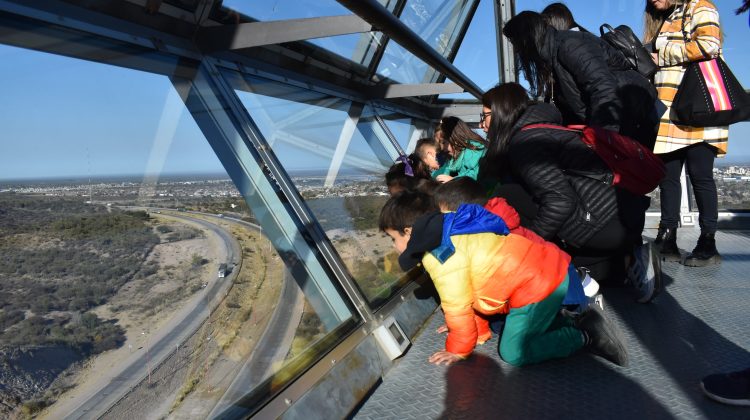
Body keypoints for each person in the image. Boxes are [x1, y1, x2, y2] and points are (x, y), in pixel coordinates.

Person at [379, 190, 628, 367]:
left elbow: (458, 307)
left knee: (514, 352)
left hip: (537, 286)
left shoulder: (440, 256)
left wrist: (458, 349)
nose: (393, 245)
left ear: (409, 232)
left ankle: (584, 336)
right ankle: (578, 322)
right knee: (521, 331)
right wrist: (479, 333)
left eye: (393, 238)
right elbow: (473, 290)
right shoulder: (454, 229)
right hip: (549, 269)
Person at [479, 82, 661, 303]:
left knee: (508, 194)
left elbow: (560, 202)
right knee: (589, 270)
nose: (482, 125)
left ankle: (584, 268)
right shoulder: (545, 128)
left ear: (500, 112)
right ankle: (628, 260)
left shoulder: (525, 143)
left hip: (604, 224)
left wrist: (528, 248)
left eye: (485, 116)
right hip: (622, 218)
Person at [644, 0, 726, 266]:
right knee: (668, 177)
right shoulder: (670, 15)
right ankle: (667, 238)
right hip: (668, 109)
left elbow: (710, 45)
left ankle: (708, 242)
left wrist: (661, 53)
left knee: (700, 175)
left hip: (696, 106)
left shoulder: (701, 6)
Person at [503, 11, 658, 150]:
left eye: (515, 42)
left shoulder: (569, 45)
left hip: (632, 114)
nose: (516, 50)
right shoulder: (552, 57)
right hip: (622, 118)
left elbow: (603, 87)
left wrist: (602, 139)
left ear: (526, 38)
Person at [431, 117, 487, 183]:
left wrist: (453, 180)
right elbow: (445, 170)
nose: (442, 148)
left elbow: (476, 174)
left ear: (456, 137)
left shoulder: (474, 149)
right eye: (439, 145)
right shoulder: (454, 158)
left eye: (444, 142)